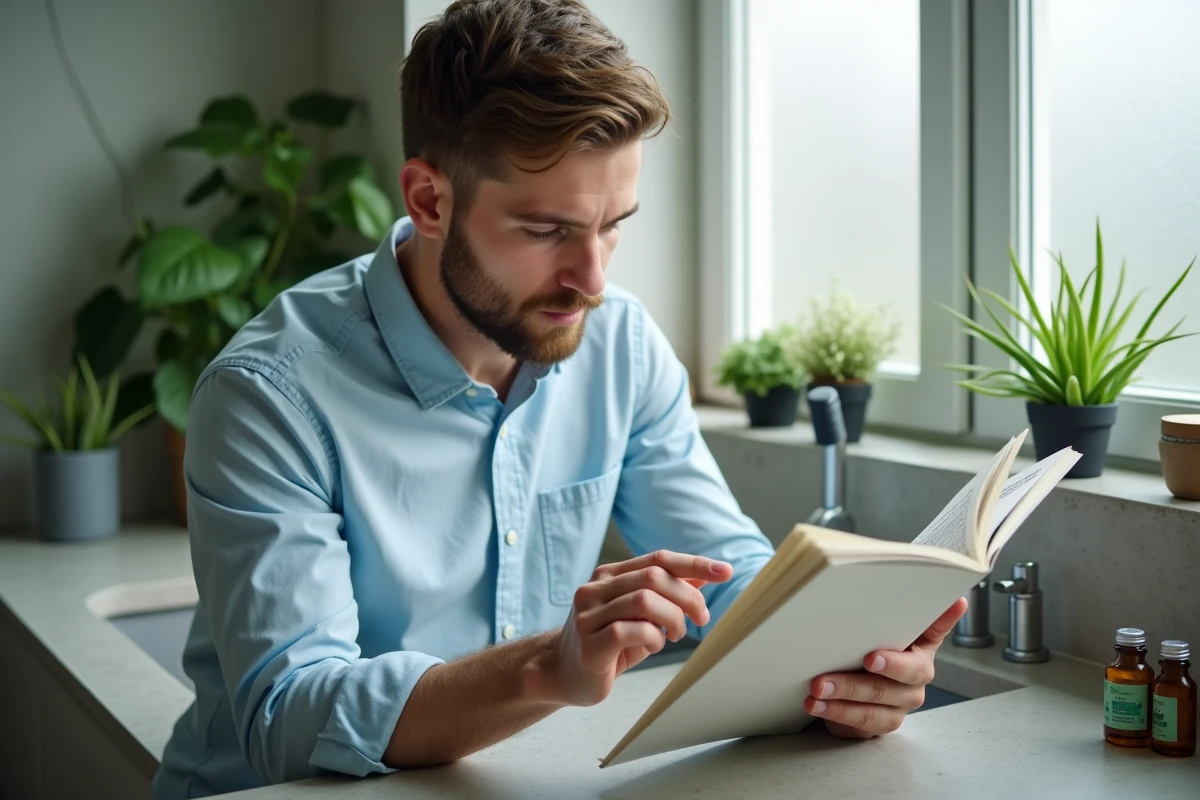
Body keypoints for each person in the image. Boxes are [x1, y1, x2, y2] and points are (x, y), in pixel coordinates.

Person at [152, 0, 966, 796]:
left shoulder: (621, 346)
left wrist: (852, 660)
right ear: (429, 200)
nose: (593, 279)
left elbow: (724, 573)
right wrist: (551, 664)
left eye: (614, 223)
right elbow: (288, 721)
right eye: (547, 232)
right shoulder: (270, 397)